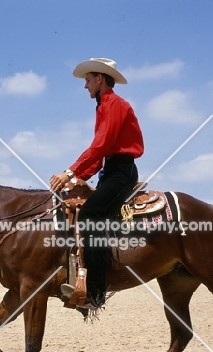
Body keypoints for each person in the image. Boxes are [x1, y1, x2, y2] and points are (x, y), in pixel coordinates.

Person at [50, 58, 144, 309]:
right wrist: (80, 177)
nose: (85, 86)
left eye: (87, 80)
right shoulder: (104, 105)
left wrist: (70, 172)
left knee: (90, 214)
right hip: (112, 169)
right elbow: (100, 154)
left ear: (99, 79)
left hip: (121, 172)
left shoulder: (115, 104)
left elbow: (100, 145)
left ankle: (95, 292)